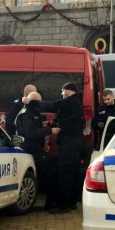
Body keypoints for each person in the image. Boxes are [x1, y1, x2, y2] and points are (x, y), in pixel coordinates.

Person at [38, 82, 84, 214]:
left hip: (69, 143)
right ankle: (71, 201)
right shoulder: (75, 103)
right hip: (73, 142)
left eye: (62, 91)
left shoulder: (71, 101)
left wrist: (32, 102)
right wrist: (51, 124)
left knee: (65, 172)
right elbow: (65, 119)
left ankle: (63, 205)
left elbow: (52, 105)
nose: (61, 94)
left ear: (68, 91)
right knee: (72, 171)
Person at [15, 91, 59, 206]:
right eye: (38, 102)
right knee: (50, 171)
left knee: (46, 172)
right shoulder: (26, 114)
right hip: (30, 149)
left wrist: (44, 126)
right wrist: (49, 130)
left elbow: (34, 128)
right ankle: (51, 203)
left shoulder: (34, 113)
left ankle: (50, 202)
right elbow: (30, 133)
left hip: (36, 148)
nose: (40, 104)